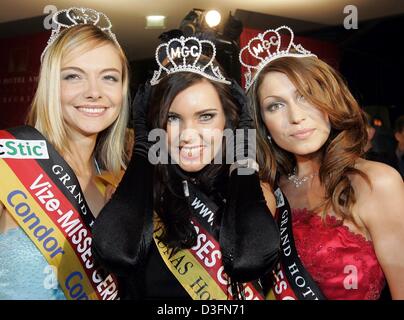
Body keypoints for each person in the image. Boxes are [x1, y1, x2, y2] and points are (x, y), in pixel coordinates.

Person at [92, 35, 280, 300]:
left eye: (205, 116)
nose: (188, 135)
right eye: (173, 118)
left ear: (228, 121)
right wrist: (144, 145)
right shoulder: (130, 195)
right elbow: (116, 251)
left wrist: (244, 141)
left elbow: (249, 259)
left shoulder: (255, 194)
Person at [240, 26, 404, 299]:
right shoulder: (266, 191)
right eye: (275, 106)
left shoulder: (375, 183)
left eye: (305, 96)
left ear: (329, 100)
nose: (296, 116)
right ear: (263, 124)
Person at [0, 7, 129, 300]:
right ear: (50, 85)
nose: (94, 92)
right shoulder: (7, 162)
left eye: (109, 77)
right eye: (73, 76)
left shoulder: (115, 184)